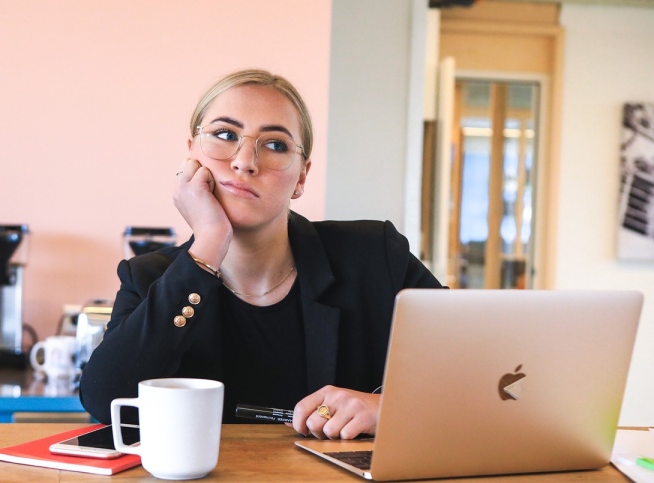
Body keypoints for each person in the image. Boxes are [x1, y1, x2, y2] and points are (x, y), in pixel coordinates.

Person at [79, 69, 443, 440]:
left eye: (275, 145)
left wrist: (389, 409)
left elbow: (482, 372)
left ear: (302, 176)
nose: (244, 161)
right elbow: (106, 401)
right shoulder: (148, 277)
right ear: (190, 154)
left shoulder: (374, 255)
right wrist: (208, 244)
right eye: (225, 135)